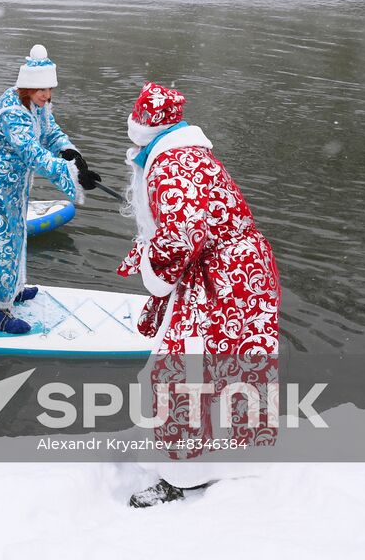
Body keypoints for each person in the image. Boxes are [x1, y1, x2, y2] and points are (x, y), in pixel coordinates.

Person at [115, 82, 281, 507]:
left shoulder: (169, 163)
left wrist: (157, 276)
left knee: (184, 369)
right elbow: (192, 223)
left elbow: (185, 231)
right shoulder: (189, 152)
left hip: (220, 278)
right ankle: (233, 455)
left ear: (141, 131)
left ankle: (181, 475)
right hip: (242, 272)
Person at [0, 45, 102, 334]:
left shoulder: (36, 104)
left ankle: (10, 289)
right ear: (27, 86)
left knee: (15, 233)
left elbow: (50, 132)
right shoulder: (12, 111)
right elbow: (32, 154)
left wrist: (71, 154)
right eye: (42, 90)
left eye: (50, 89)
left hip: (12, 181)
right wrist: (72, 174)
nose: (48, 96)